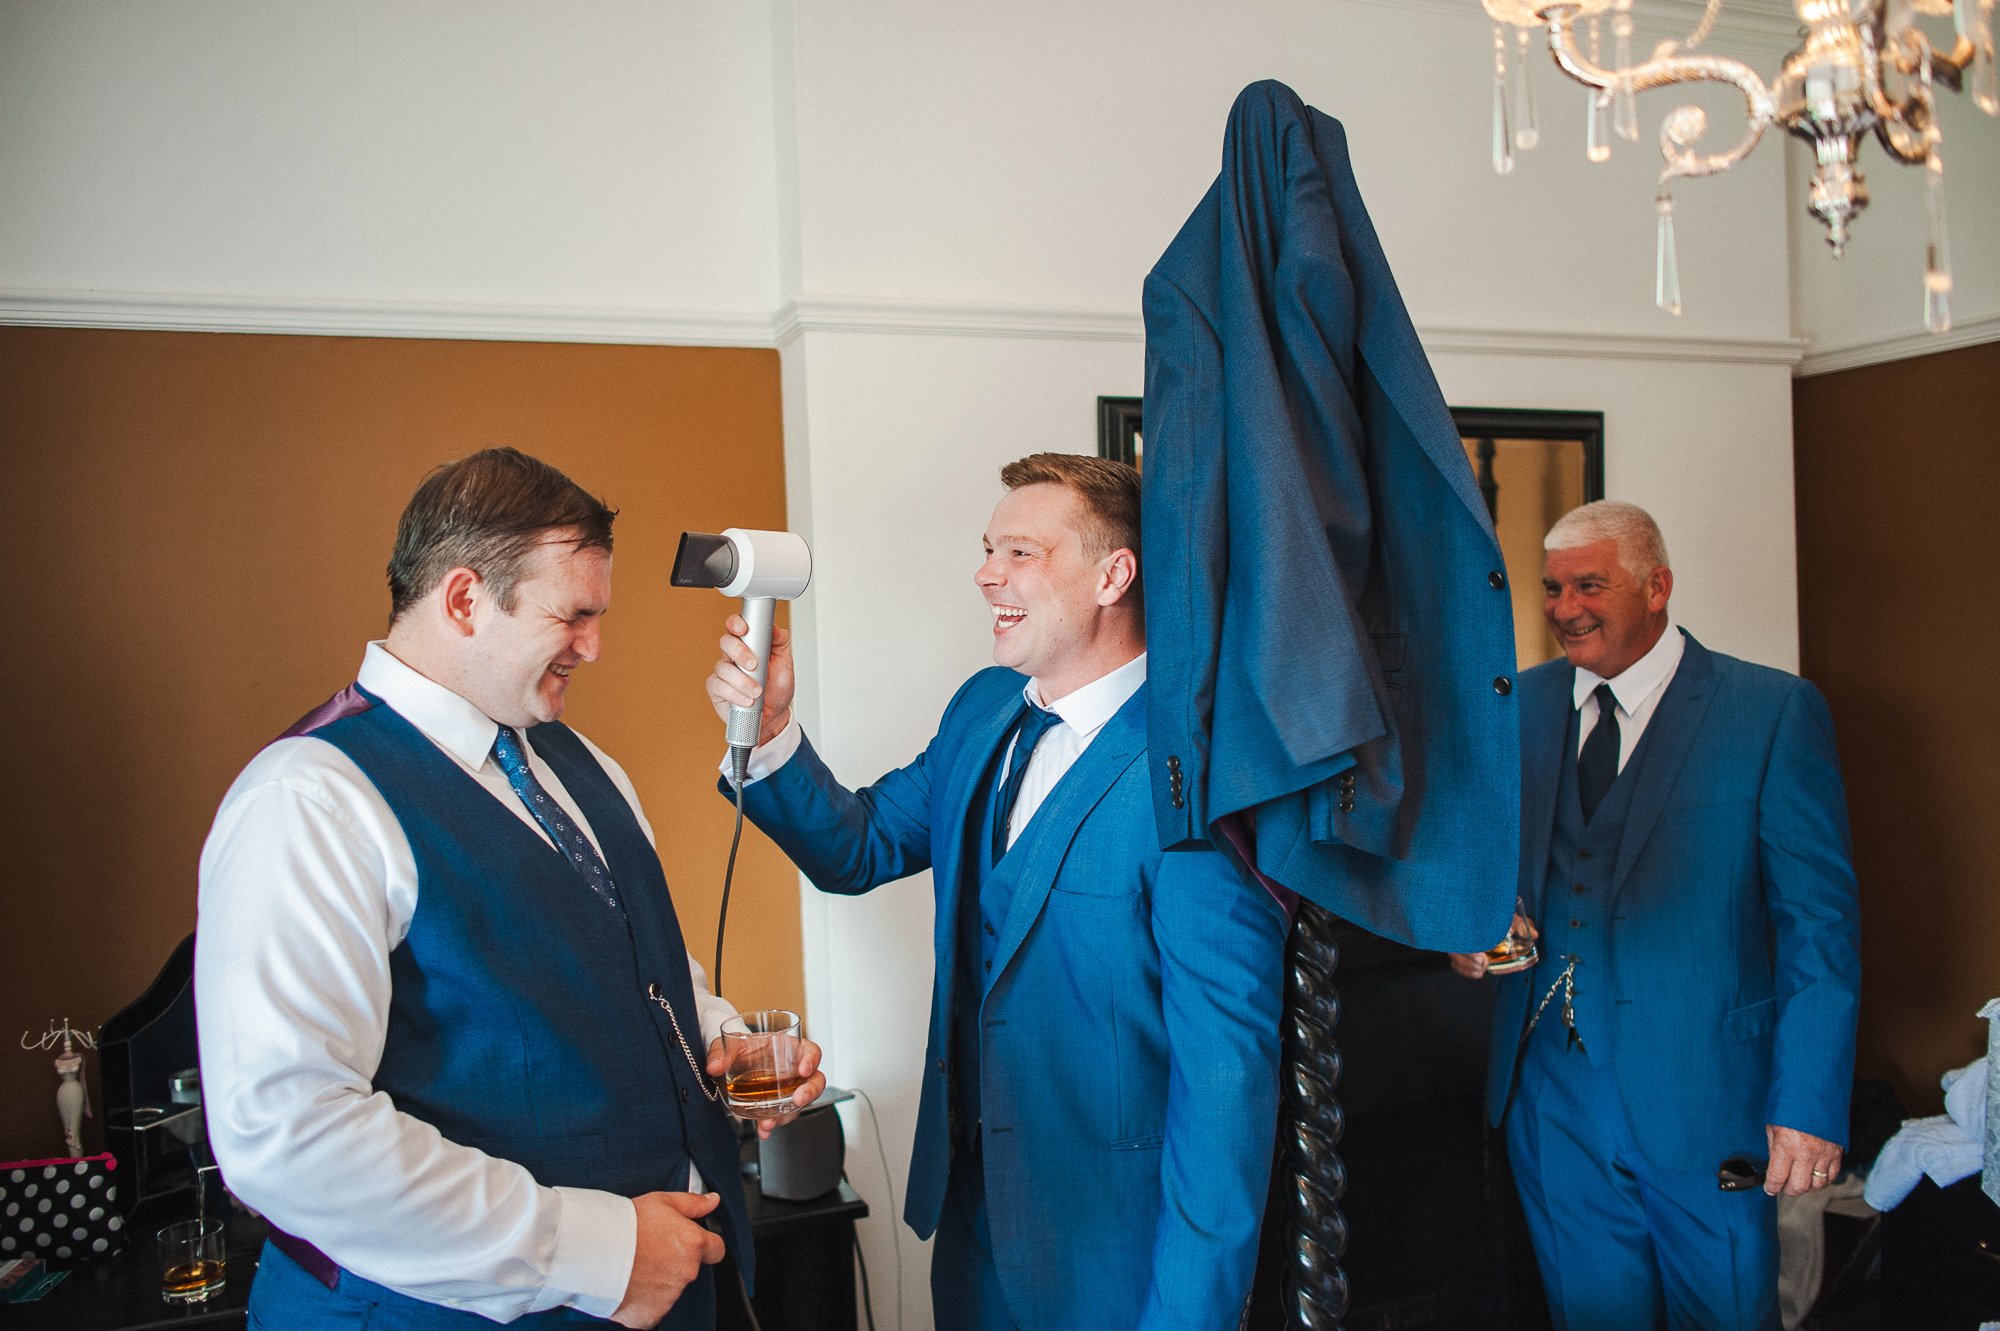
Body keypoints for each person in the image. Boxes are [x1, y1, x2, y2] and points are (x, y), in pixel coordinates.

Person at [197, 447, 823, 1329]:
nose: (596, 647)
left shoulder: (581, 763)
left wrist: (723, 1045)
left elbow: (638, 967)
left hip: (688, 1286)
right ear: (463, 600)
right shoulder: (308, 799)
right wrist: (599, 1251)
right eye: (574, 615)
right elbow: (290, 1135)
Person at [705, 453, 1287, 1330]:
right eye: (988, 549)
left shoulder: (1194, 776)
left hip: (1122, 1252)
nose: (987, 574)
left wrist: (1191, 1314)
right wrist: (774, 729)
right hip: (973, 1229)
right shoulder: (982, 711)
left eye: (1020, 551)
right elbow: (856, 848)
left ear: (1113, 574)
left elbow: (1226, 1082)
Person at [1451, 499, 1861, 1331]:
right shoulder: (1518, 706)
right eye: (1553, 588)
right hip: (1550, 1094)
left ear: (1657, 585)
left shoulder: (1771, 712)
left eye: (1589, 585)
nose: (1564, 608)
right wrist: (1467, 931)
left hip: (1711, 1100)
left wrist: (1811, 1104)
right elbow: (1477, 862)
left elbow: (1819, 927)